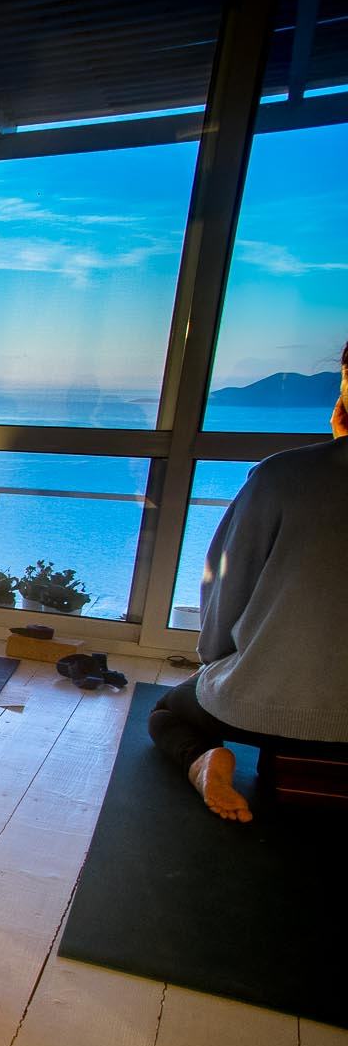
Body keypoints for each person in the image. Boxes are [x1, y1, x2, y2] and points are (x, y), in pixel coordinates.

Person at [148, 343, 348, 821]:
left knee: (166, 713)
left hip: (263, 710)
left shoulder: (283, 476)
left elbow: (224, 587)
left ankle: (203, 760)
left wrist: (215, 664)